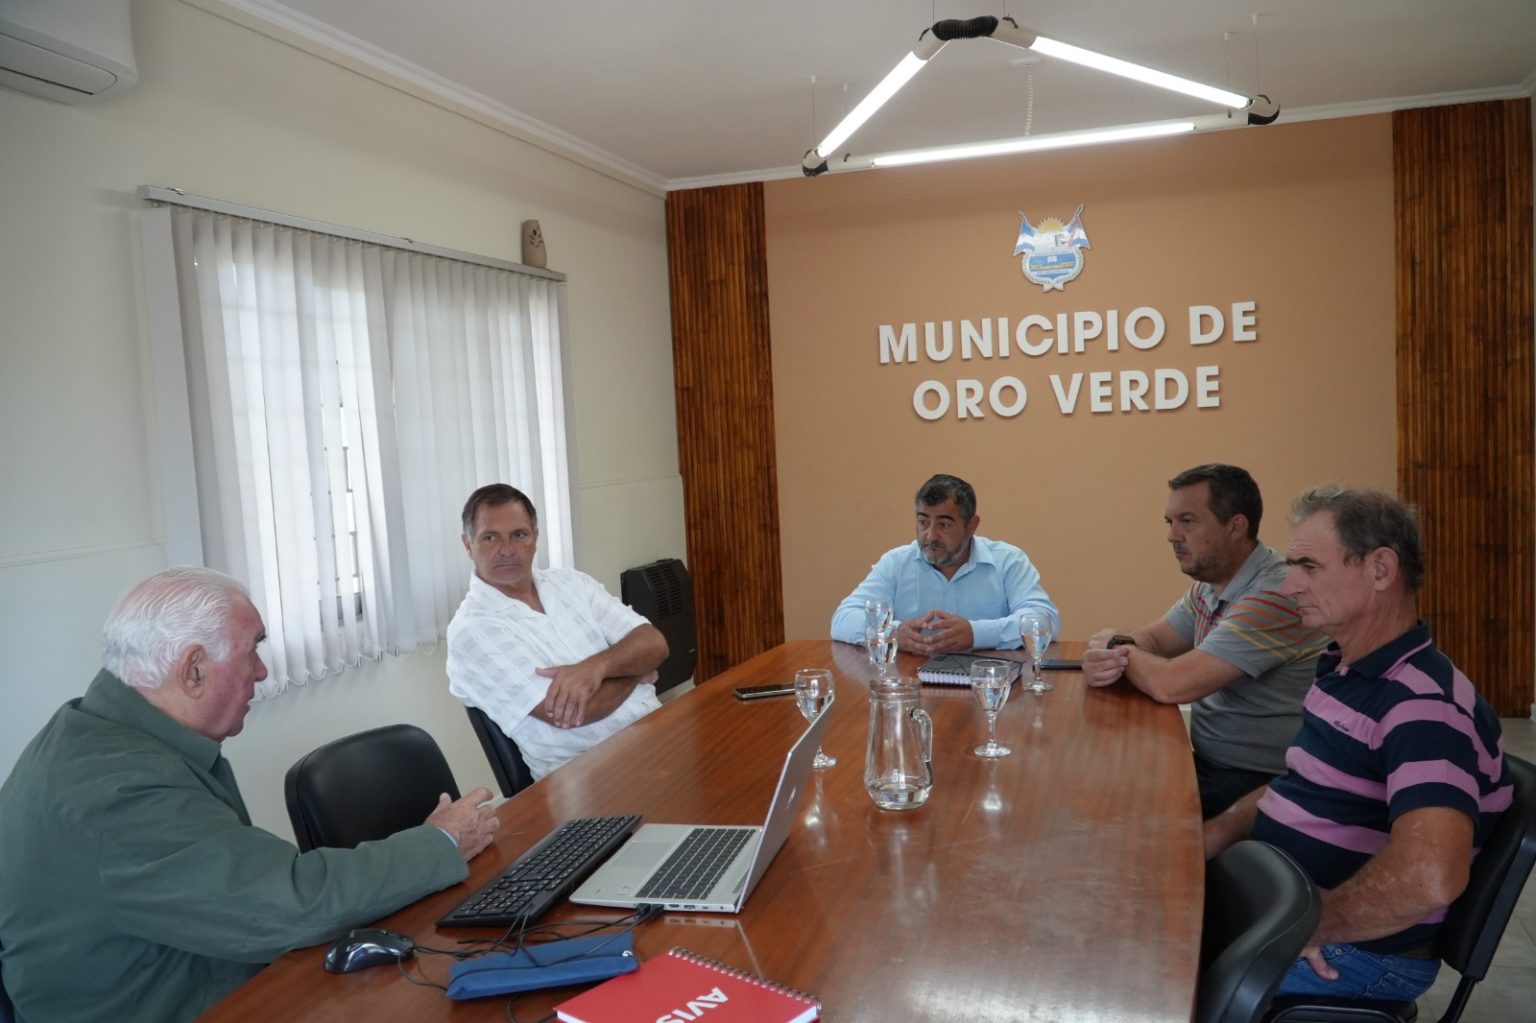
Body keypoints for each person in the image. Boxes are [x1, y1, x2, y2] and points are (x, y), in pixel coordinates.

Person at [0, 567, 499, 1023]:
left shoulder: (96, 730)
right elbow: (290, 902)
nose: (261, 672)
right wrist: (442, 841)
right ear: (193, 670)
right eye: (252, 651)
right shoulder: (124, 792)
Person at [1204, 486, 1509, 1001]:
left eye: (1307, 566)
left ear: (1380, 570)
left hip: (1358, 952)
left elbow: (1430, 876)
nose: (1289, 584)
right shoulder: (1345, 670)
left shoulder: (1423, 705)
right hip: (1288, 905)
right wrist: (1209, 837)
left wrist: (1318, 924)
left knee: (1143, 973)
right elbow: (1298, 787)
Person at [1082, 464, 1327, 818]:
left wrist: (1114, 648)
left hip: (1264, 783)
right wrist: (1116, 650)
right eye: (1170, 522)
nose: (1172, 535)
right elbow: (1152, 638)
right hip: (1213, 764)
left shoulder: (1274, 592)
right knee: (1106, 785)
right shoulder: (1211, 583)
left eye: (1187, 521)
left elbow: (1174, 685)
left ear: (1235, 526)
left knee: (1117, 814)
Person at [447, 483, 668, 781]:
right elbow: (574, 713)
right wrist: (633, 672)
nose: (507, 550)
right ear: (468, 545)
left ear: (535, 538)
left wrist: (595, 668)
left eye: (519, 535)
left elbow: (654, 644)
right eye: (490, 538)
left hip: (656, 735)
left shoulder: (570, 583)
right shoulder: (472, 630)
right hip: (586, 776)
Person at [830, 473, 1058, 655]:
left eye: (944, 524)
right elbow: (843, 619)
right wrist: (894, 632)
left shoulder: (1007, 560)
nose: (930, 535)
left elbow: (1045, 621)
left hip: (987, 684)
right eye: (923, 522)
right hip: (913, 685)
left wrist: (977, 634)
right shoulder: (896, 562)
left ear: (971, 526)